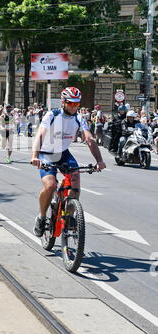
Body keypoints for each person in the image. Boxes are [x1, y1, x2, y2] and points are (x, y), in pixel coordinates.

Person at [31, 86, 106, 237]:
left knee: (76, 177)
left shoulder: (79, 118)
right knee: (51, 185)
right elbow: (40, 135)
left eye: (77, 104)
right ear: (64, 102)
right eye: (71, 103)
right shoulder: (52, 115)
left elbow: (90, 139)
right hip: (46, 153)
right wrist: (35, 156)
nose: (74, 107)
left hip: (63, 153)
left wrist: (99, 160)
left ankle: (70, 213)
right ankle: (42, 217)